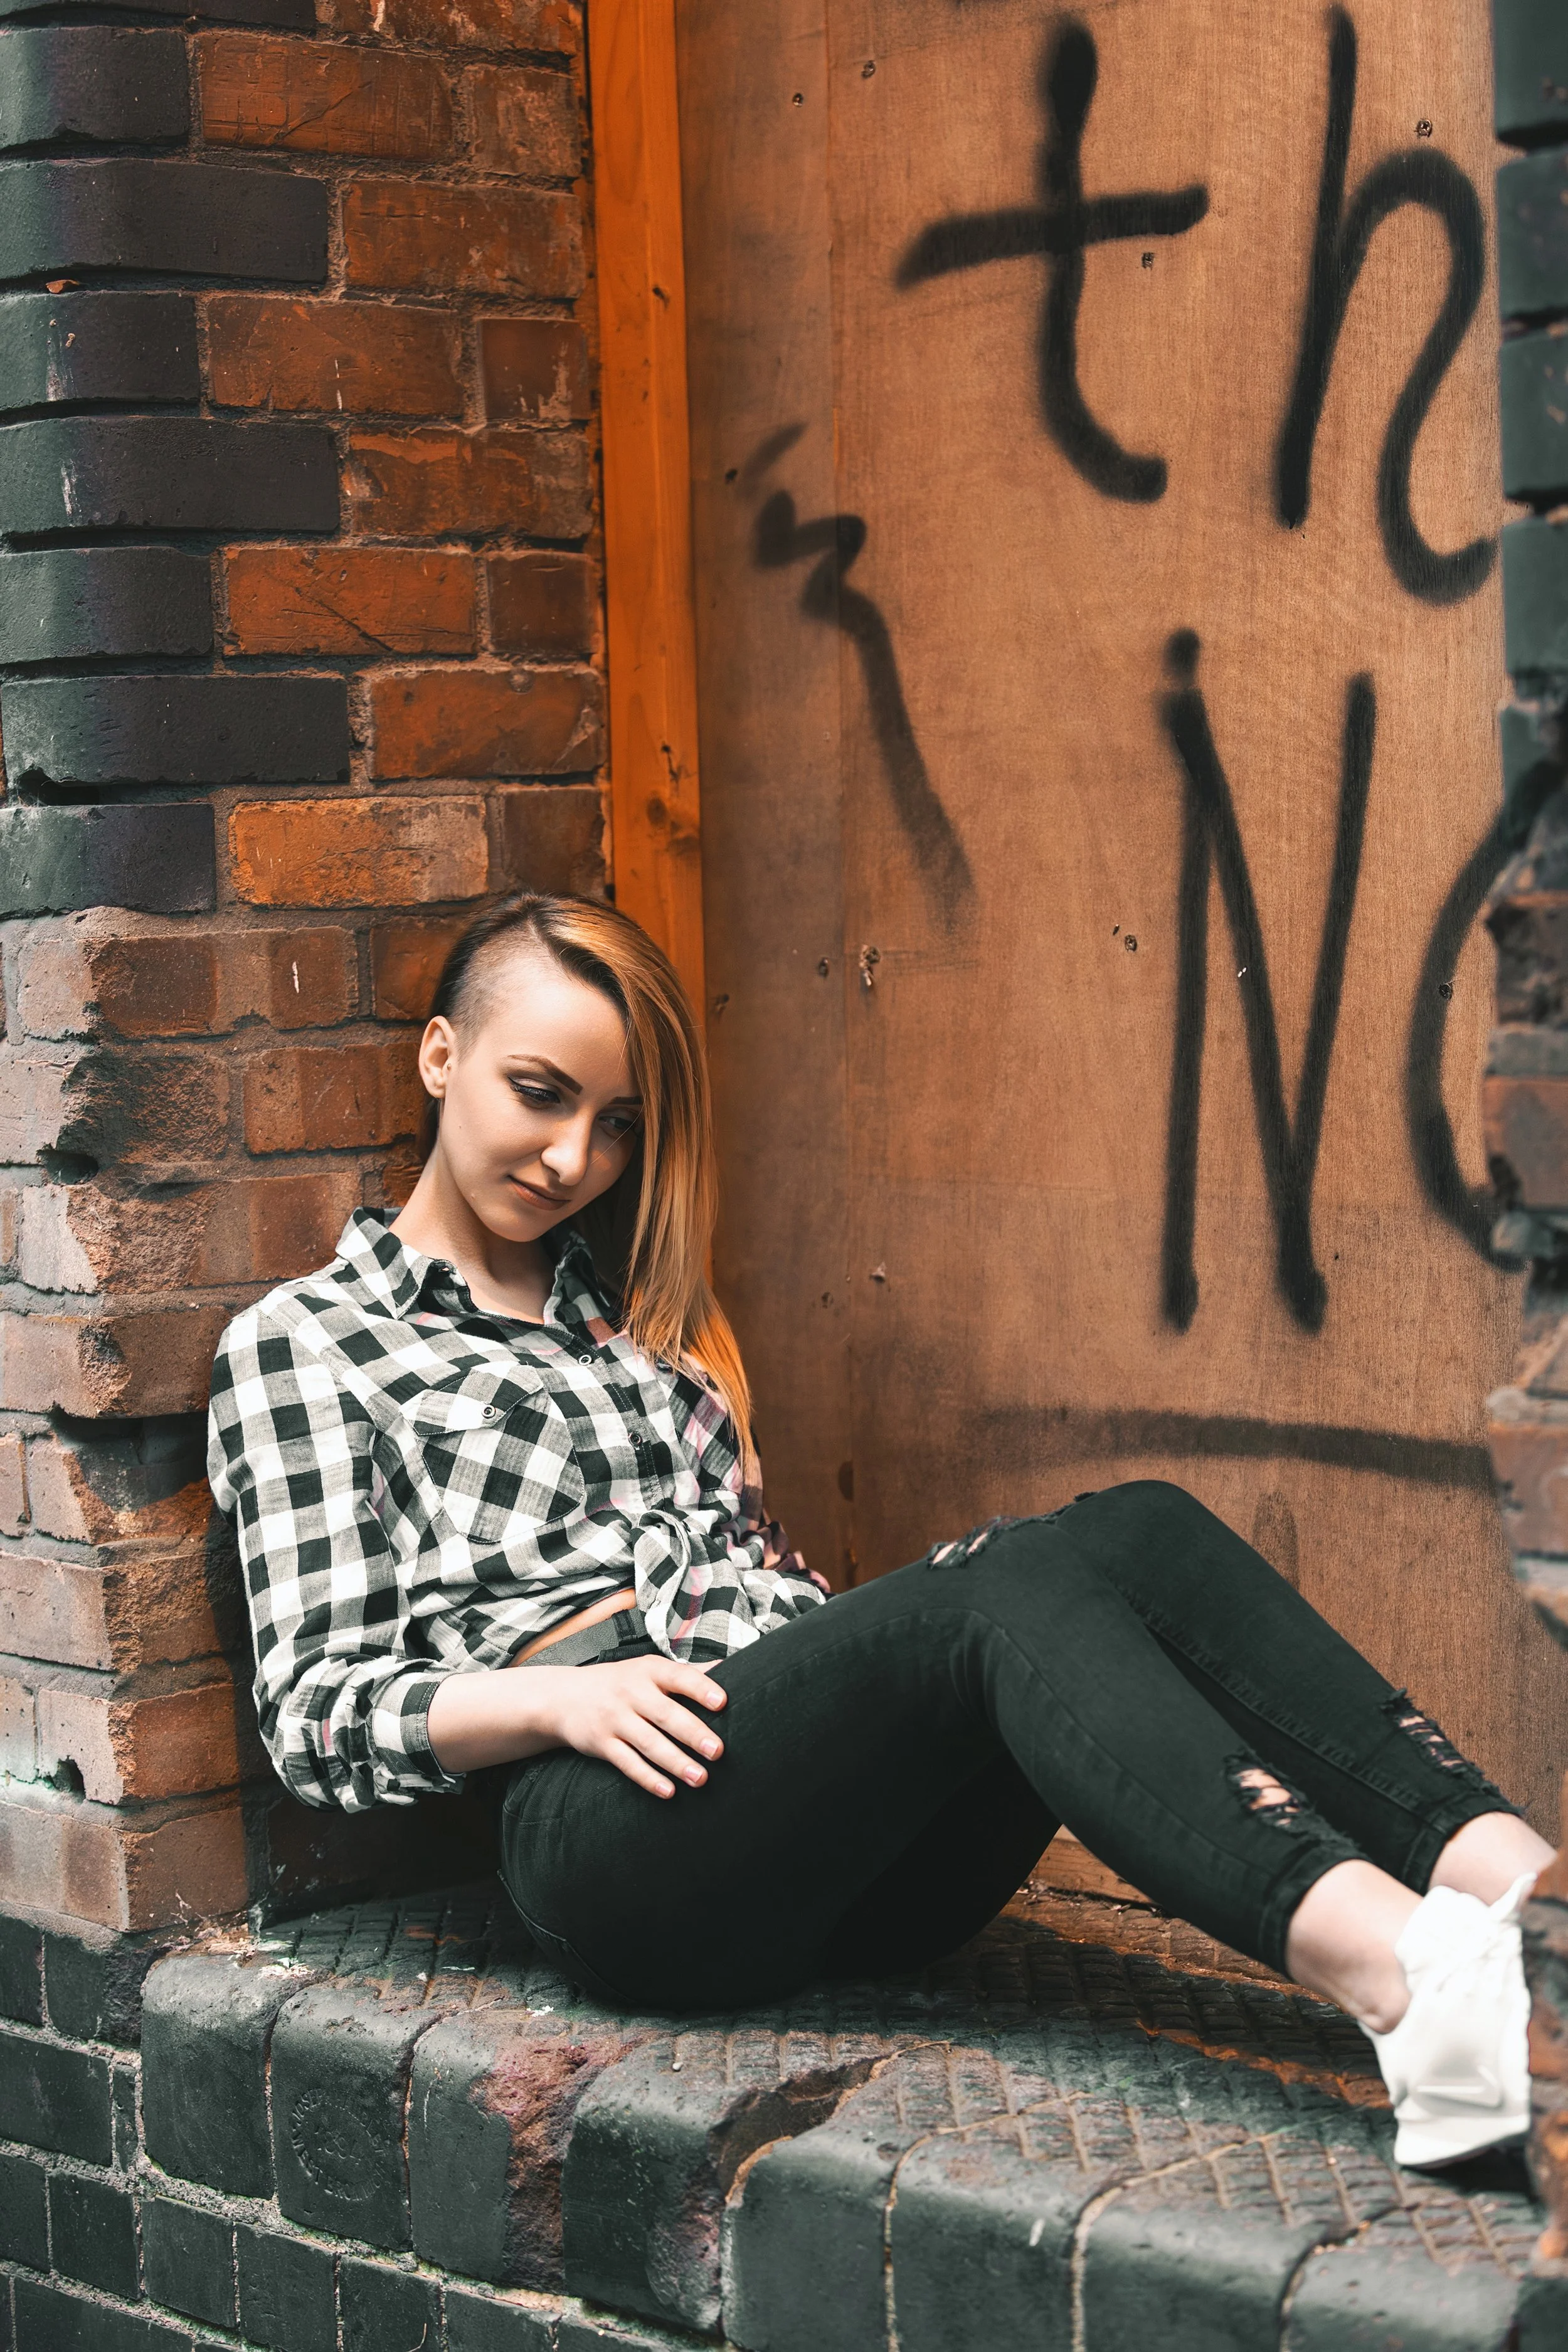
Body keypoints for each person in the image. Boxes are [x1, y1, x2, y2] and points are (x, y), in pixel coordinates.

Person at [208, 891, 1554, 2169]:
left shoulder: (647, 1338)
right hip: (611, 1847)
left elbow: (777, 1599)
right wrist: (555, 1701)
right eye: (539, 1096)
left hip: (829, 1844)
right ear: (442, 1057)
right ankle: (1406, 1983)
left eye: (614, 1124)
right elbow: (314, 1714)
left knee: (1135, 1530)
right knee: (995, 1587)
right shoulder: (310, 1346)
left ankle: (1526, 1911)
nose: (574, 1160)